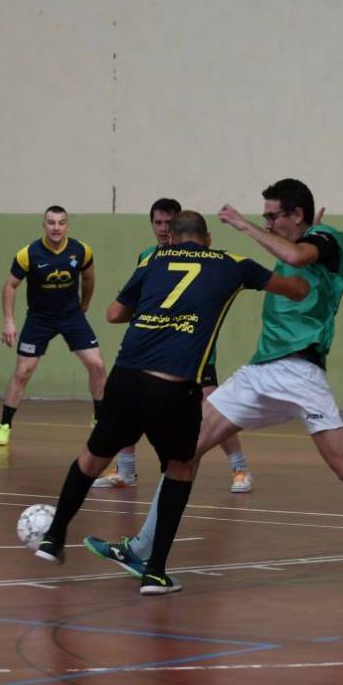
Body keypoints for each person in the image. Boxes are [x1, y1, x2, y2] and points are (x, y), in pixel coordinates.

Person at [83, 178, 343, 586]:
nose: (266, 223)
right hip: (260, 371)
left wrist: (245, 225)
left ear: (296, 215)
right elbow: (292, 252)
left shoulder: (326, 241)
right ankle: (142, 550)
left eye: (272, 216)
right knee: (184, 451)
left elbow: (300, 255)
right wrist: (282, 234)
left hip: (301, 373)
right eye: (263, 217)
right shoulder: (294, 244)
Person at [33, 211, 309, 595]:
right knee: (181, 466)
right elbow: (296, 289)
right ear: (207, 238)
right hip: (175, 387)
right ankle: (156, 572)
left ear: (174, 238)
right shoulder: (233, 264)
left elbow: (114, 314)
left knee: (91, 458)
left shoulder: (154, 259)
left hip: (126, 378)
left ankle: (54, 536)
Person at [93, 197, 259, 494]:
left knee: (213, 406)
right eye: (158, 223)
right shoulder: (148, 256)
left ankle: (239, 467)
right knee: (128, 403)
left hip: (189, 350)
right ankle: (126, 471)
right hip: (149, 348)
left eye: (169, 223)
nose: (163, 229)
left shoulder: (204, 258)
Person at [0, 206, 105, 446]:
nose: (56, 227)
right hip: (39, 319)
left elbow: (89, 278)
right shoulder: (28, 254)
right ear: (44, 226)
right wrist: (9, 321)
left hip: (71, 316)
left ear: (67, 226)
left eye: (61, 223)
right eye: (51, 223)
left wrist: (84, 305)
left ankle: (99, 420)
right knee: (23, 372)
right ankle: (4, 425)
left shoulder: (81, 251)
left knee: (97, 365)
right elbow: (9, 286)